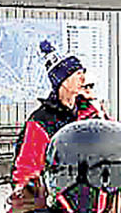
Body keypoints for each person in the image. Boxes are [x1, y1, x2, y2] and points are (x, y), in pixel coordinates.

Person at [11, 49, 100, 188]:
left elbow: (110, 141)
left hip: (91, 187)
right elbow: (27, 167)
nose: (83, 79)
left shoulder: (90, 111)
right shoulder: (42, 121)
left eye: (83, 73)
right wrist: (26, 197)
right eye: (78, 74)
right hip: (59, 193)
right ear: (63, 81)